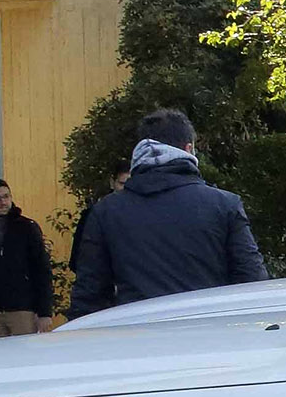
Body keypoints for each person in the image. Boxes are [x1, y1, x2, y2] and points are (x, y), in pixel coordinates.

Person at [68, 111, 264, 314]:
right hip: (209, 327)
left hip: (135, 328)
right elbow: (252, 281)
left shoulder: (105, 212)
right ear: (189, 149)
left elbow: (89, 295)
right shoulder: (224, 204)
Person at [0, 177, 56, 335]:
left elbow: (42, 270)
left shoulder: (27, 228)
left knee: (25, 349)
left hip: (22, 308)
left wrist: (44, 312)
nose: (2, 202)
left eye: (6, 196)